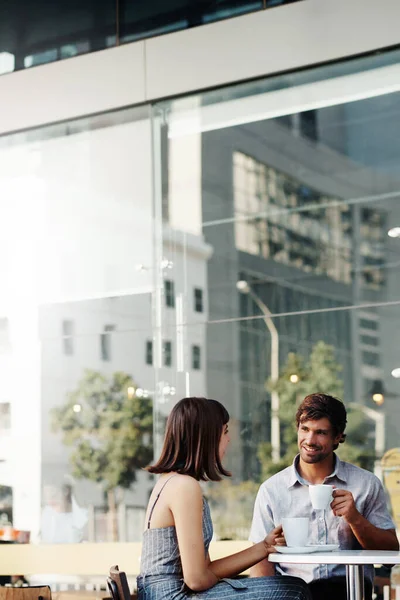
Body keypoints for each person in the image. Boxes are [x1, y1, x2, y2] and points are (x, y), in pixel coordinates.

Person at [137, 396, 311, 600]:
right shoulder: (185, 487)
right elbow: (197, 580)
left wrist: (265, 547)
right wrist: (230, 585)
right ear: (207, 437)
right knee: (293, 591)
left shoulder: (170, 481)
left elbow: (203, 570)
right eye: (225, 431)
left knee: (291, 586)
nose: (228, 439)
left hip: (165, 593)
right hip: (173, 596)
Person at [249, 393, 399, 600]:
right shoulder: (272, 490)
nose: (310, 440)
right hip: (294, 594)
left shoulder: (366, 484)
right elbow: (260, 562)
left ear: (338, 437)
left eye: (321, 432)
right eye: (305, 429)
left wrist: (354, 518)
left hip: (349, 592)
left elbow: (391, 554)